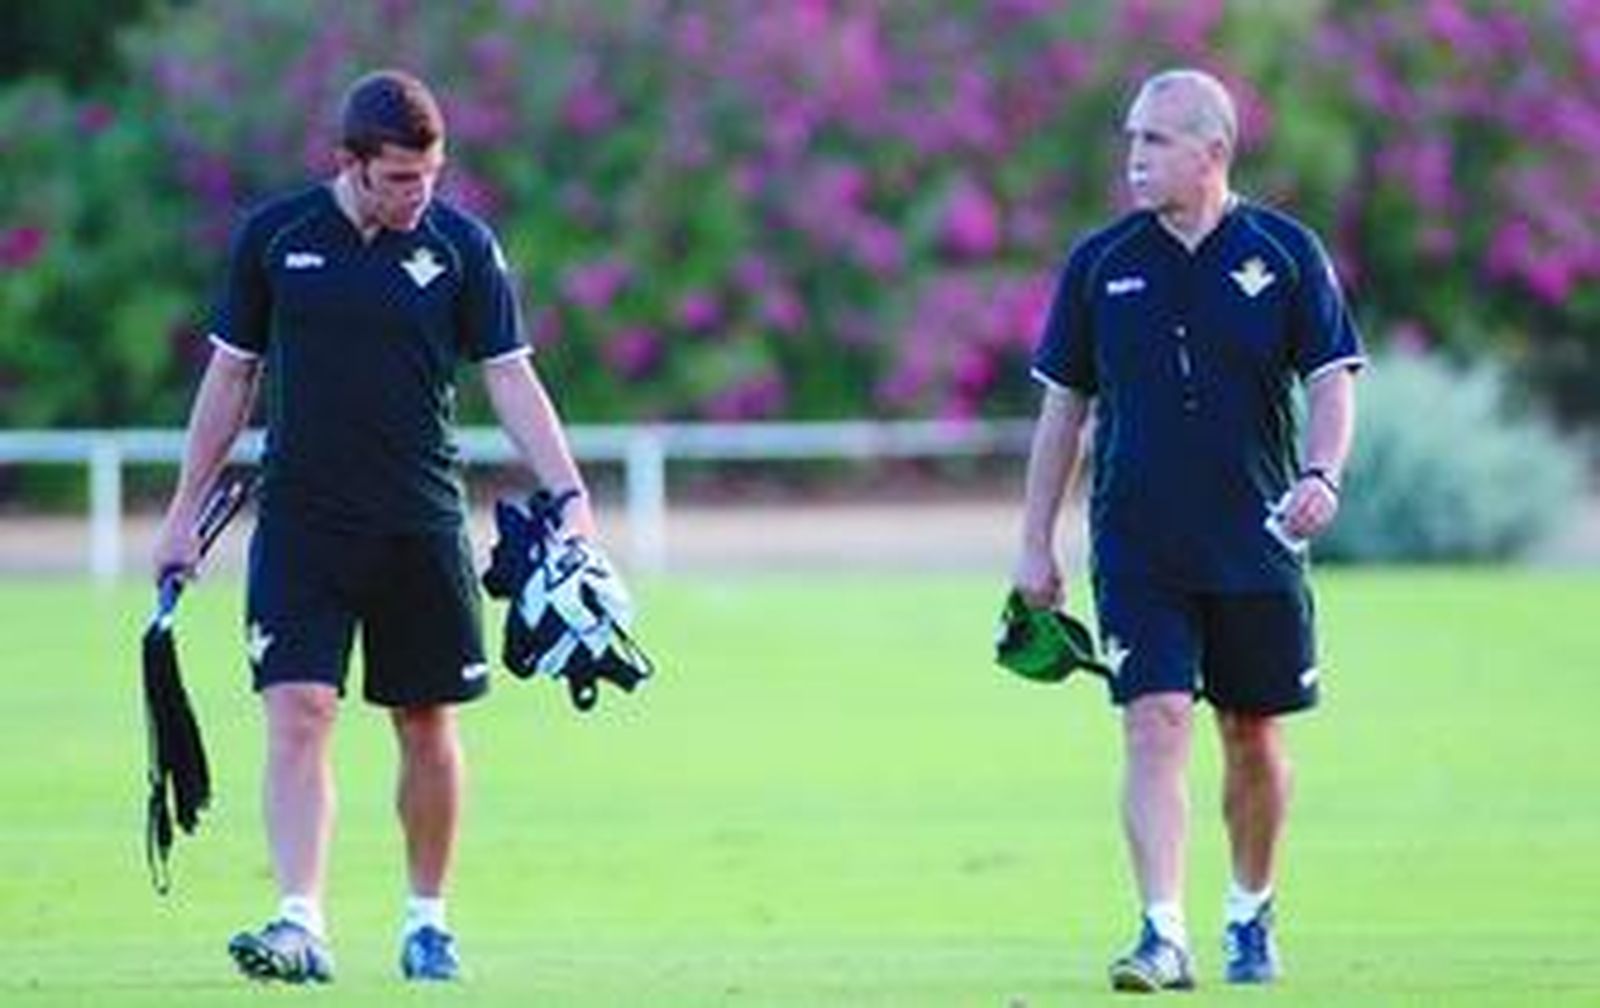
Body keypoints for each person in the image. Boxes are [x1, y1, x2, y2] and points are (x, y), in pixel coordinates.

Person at [151, 69, 604, 985]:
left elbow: (511, 377)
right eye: (399, 178)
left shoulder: (464, 246)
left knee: (426, 722)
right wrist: (181, 515)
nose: (418, 194)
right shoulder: (275, 239)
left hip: (422, 522)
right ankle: (300, 921)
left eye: (430, 175)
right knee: (300, 711)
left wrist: (571, 495)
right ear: (350, 163)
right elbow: (230, 382)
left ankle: (427, 921)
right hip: (304, 522)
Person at [1010, 68, 1363, 992]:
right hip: (1137, 543)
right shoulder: (1099, 263)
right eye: (1132, 138)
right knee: (1154, 723)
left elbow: (1332, 379)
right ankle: (1162, 933)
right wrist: (1033, 542)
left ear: (1214, 151)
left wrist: (1323, 474)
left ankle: (1250, 910)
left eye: (1156, 141)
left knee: (1252, 734)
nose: (1134, 157)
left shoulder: (1286, 253)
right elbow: (1063, 414)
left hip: (1257, 541)